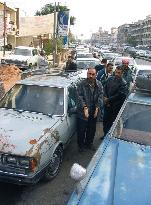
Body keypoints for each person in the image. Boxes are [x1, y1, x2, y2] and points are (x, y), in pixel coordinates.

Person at [76, 67, 103, 152]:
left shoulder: (99, 85)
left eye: (93, 74)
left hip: (93, 112)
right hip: (82, 113)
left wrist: (97, 107)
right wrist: (84, 107)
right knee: (81, 130)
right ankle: (81, 146)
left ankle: (89, 144)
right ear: (87, 74)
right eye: (89, 74)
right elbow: (79, 97)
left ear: (96, 75)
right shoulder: (81, 84)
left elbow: (101, 96)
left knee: (91, 130)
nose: (91, 76)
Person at [103, 66, 128, 137]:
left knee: (113, 123)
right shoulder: (110, 79)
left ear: (122, 73)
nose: (117, 74)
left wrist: (108, 100)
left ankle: (110, 136)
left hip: (115, 107)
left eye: (119, 73)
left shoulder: (124, 83)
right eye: (116, 72)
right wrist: (105, 97)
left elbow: (119, 95)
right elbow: (105, 88)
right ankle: (105, 134)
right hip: (107, 105)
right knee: (105, 121)